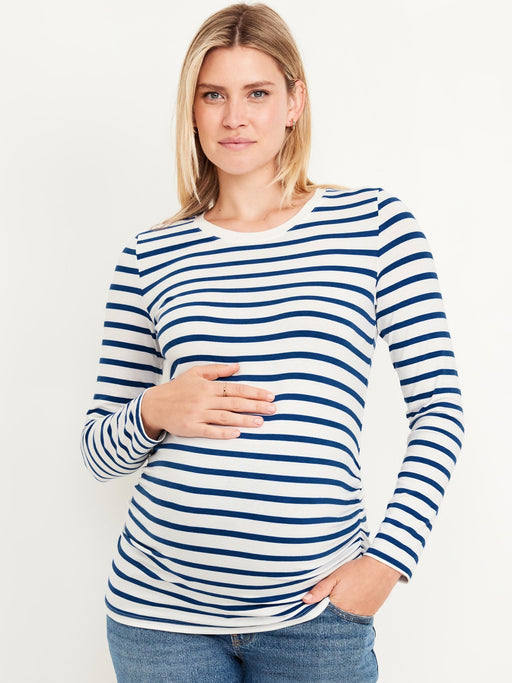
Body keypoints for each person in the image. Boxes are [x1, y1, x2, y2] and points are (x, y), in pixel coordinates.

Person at [81, 3, 464, 681]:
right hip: (157, 619)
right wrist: (153, 410)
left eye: (257, 93)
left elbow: (440, 409)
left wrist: (387, 562)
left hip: (317, 620)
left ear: (294, 102)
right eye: (213, 95)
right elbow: (96, 451)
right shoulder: (149, 255)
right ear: (192, 110)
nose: (235, 117)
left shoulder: (373, 226)